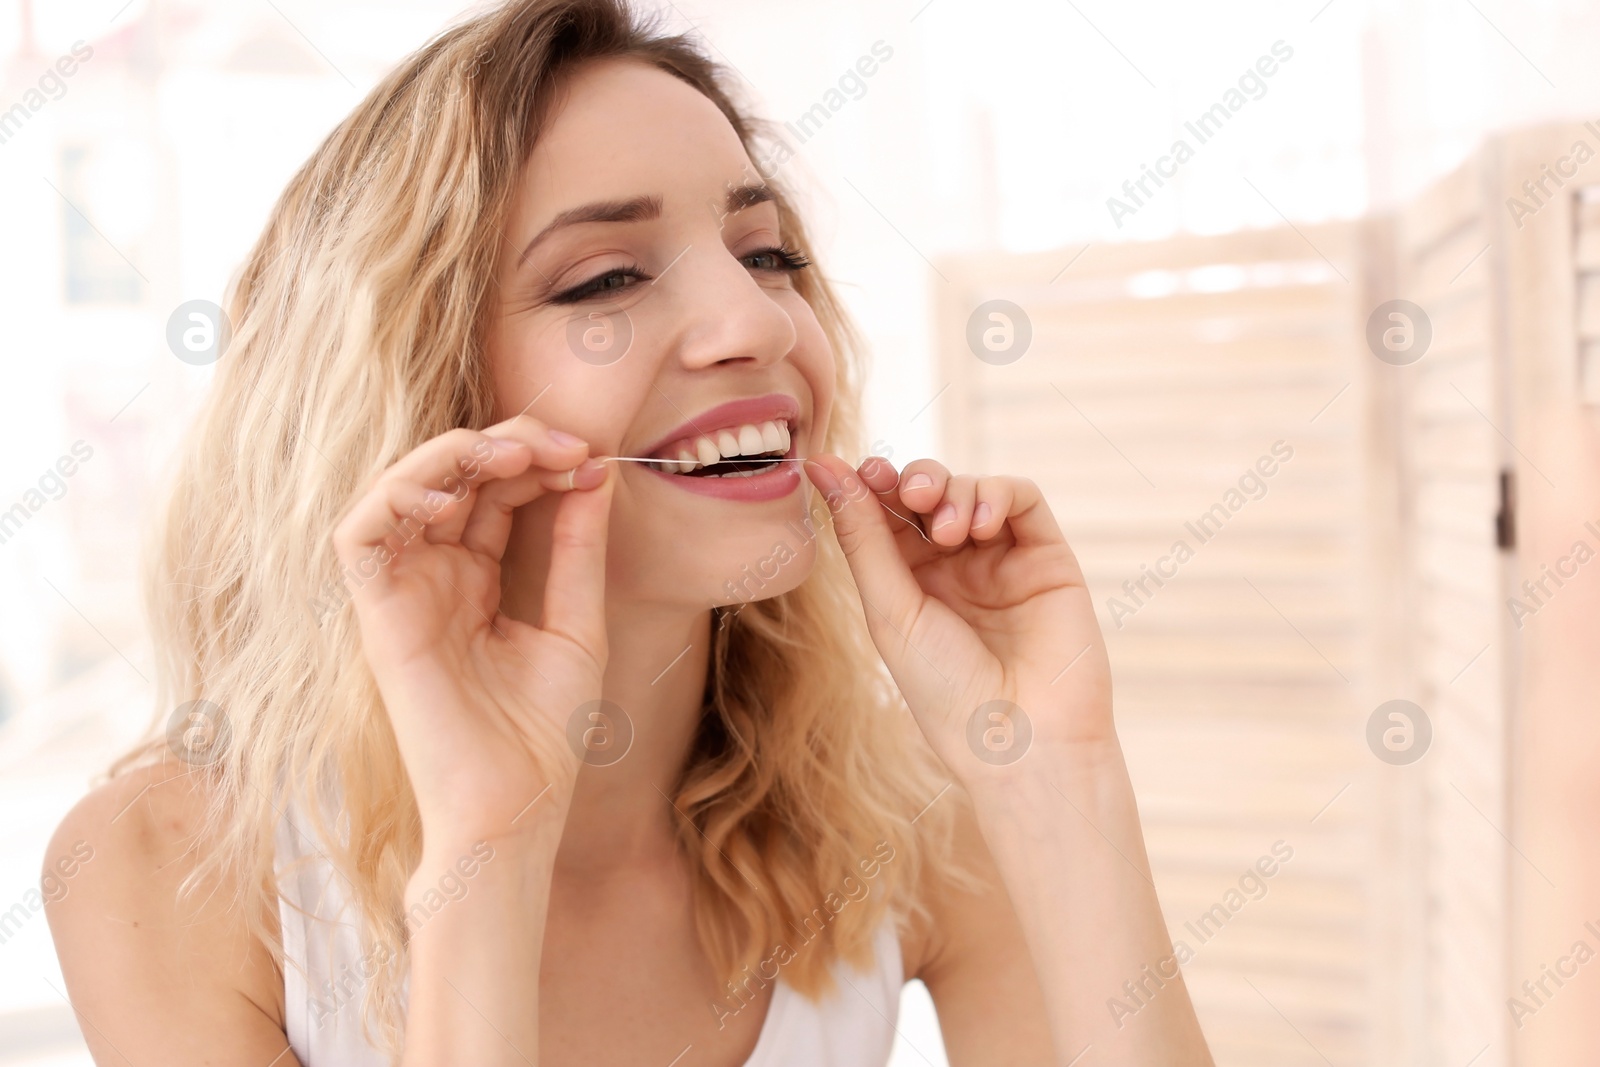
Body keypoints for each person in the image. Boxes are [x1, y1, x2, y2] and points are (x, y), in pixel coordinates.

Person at [44, 1, 1212, 1063]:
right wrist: (487, 844)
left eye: (766, 254)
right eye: (604, 278)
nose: (753, 319)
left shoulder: (902, 814)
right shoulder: (164, 868)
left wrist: (1055, 772)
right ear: (420, 394)